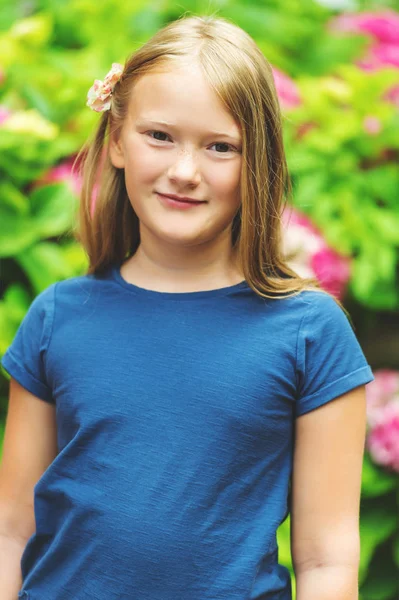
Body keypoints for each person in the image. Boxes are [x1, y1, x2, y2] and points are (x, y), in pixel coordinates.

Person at [0, 14, 374, 600]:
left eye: (220, 147)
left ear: (258, 164)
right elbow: (10, 530)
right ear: (118, 138)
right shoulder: (56, 318)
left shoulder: (309, 333)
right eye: (160, 136)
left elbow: (327, 560)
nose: (183, 171)